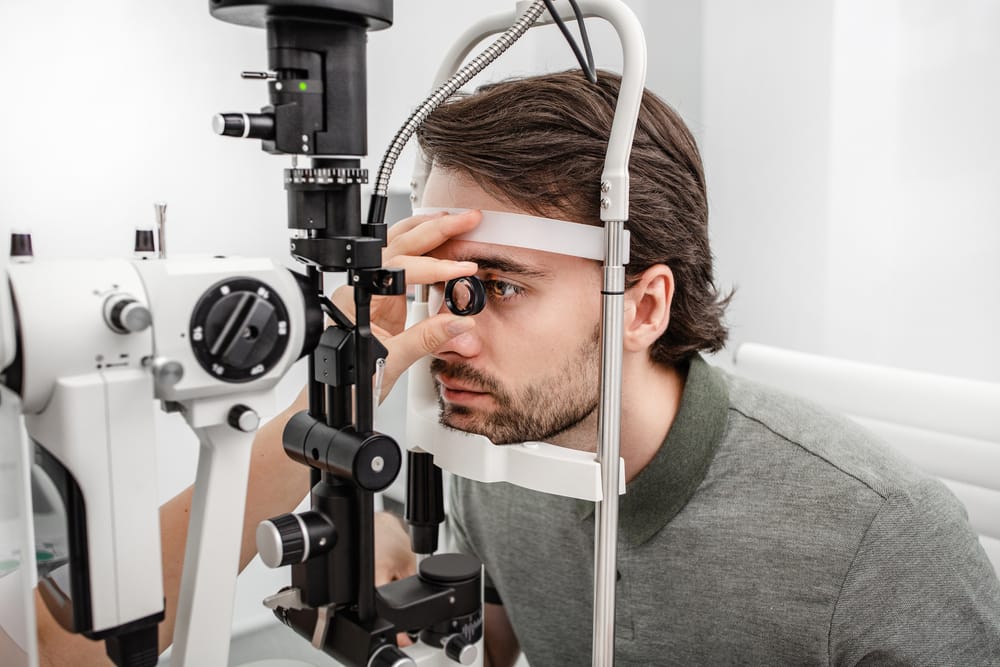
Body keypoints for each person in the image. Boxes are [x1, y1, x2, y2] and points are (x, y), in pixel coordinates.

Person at [38, 69, 1000, 666]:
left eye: (495, 286)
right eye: (440, 286)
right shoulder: (501, 455)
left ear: (647, 306)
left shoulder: (883, 539)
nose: (447, 334)